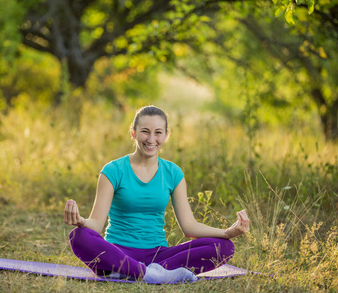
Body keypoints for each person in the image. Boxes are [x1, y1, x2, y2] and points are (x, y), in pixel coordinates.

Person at [64, 105, 250, 283]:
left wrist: (227, 233)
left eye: (158, 132)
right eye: (145, 131)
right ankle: (148, 274)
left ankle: (131, 271)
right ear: (133, 132)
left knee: (224, 247)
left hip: (159, 255)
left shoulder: (173, 173)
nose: (151, 139)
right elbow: (96, 225)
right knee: (79, 236)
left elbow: (189, 227)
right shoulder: (113, 170)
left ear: (166, 135)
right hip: (117, 251)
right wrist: (82, 222)